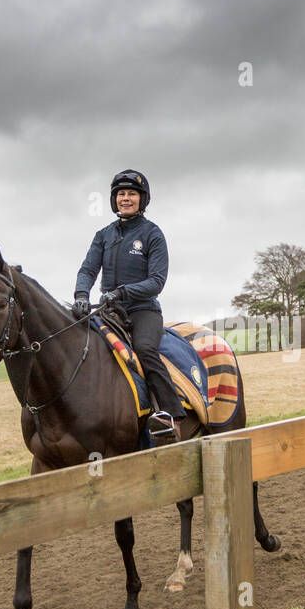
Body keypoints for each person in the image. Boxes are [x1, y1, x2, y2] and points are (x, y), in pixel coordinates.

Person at [74, 169, 187, 442]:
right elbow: (88, 269)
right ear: (115, 200)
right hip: (107, 311)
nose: (126, 199)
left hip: (143, 311)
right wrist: (80, 294)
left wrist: (122, 292)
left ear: (142, 199)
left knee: (146, 350)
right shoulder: (102, 235)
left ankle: (168, 415)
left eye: (132, 194)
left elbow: (156, 281)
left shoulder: (153, 234)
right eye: (121, 194)